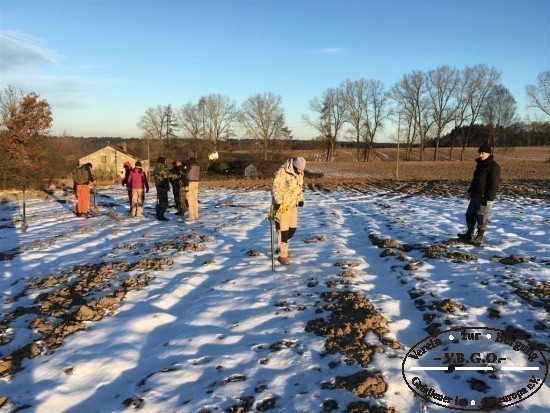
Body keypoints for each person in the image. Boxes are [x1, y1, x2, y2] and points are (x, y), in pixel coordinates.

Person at [457, 145, 501, 245]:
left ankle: (479, 237)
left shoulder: (493, 166)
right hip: (474, 195)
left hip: (484, 197)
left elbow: (494, 183)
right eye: (479, 153)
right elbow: (475, 181)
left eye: (483, 153)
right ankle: (469, 234)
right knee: (470, 214)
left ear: (489, 153)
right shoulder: (480, 165)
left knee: (481, 216)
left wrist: (490, 198)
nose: (480, 155)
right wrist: (469, 191)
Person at [271, 156, 306, 265]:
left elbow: (299, 188)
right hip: (282, 206)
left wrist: (300, 199)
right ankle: (283, 255)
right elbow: (276, 188)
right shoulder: (282, 173)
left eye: (302, 169)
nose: (301, 171)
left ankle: (281, 247)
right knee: (283, 230)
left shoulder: (299, 173)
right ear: (294, 166)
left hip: (293, 205)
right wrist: (278, 203)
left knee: (292, 229)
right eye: (299, 169)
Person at [152, 157, 176, 221]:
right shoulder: (161, 168)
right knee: (164, 203)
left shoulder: (157, 168)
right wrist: (177, 175)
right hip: (162, 187)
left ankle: (159, 214)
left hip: (161, 186)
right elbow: (168, 174)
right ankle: (160, 215)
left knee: (161, 202)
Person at [182, 155, 200, 221]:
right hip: (196, 183)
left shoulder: (189, 163)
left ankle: (191, 216)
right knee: (195, 199)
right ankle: (196, 215)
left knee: (190, 200)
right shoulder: (197, 164)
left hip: (189, 183)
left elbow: (185, 172)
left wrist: (180, 166)